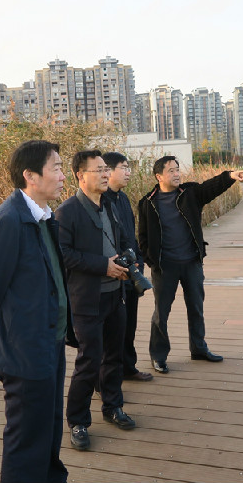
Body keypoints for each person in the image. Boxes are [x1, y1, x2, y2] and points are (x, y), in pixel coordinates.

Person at [0, 140, 76, 483]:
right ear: (30, 176)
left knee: (49, 425)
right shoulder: (10, 220)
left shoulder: (43, 216)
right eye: (56, 168)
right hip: (25, 347)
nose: (63, 176)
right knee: (27, 436)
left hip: (49, 339)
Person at [56, 149, 137, 452]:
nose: (106, 174)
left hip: (116, 294)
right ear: (80, 175)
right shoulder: (67, 211)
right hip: (87, 299)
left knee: (114, 357)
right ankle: (78, 421)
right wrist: (103, 266)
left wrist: (129, 261)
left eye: (106, 169)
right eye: (99, 170)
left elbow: (125, 240)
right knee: (89, 361)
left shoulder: (111, 206)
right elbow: (65, 254)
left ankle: (113, 407)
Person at [138, 156, 243, 374]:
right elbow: (142, 237)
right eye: (171, 171)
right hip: (165, 267)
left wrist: (229, 176)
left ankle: (198, 348)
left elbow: (210, 187)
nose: (176, 174)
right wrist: (152, 261)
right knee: (161, 313)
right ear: (159, 176)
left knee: (196, 308)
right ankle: (158, 356)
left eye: (177, 169)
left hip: (191, 263)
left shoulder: (189, 194)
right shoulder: (147, 203)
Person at [102, 151, 153, 382]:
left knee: (129, 323)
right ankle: (109, 377)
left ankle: (128, 367)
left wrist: (139, 260)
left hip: (132, 270)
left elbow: (130, 235)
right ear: (109, 171)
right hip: (114, 273)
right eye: (123, 167)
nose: (128, 172)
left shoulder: (122, 198)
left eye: (128, 167)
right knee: (114, 329)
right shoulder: (102, 200)